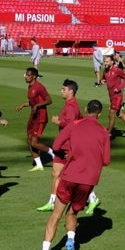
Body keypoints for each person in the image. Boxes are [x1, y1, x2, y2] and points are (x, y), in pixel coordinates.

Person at [34, 100, 111, 250]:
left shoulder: (75, 125)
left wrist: (71, 152)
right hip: (89, 180)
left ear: (85, 110)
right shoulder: (103, 132)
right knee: (73, 213)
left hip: (70, 176)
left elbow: (55, 145)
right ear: (99, 114)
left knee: (55, 215)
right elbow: (106, 160)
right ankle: (70, 241)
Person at [37, 79, 101, 215]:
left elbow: (72, 126)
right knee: (55, 173)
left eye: (63, 89)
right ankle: (52, 201)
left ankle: (92, 198)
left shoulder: (71, 107)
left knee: (72, 175)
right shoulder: (70, 105)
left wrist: (58, 121)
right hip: (64, 146)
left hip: (67, 147)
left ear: (71, 91)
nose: (61, 91)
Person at [16, 67, 53, 172]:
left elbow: (49, 100)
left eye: (28, 75)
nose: (26, 77)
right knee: (29, 140)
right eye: (26, 75)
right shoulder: (30, 87)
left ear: (34, 76)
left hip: (40, 117)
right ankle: (39, 164)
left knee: (34, 143)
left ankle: (53, 153)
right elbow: (32, 102)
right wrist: (23, 105)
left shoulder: (39, 87)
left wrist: (37, 106)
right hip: (33, 116)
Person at [102, 54, 125, 139]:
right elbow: (104, 79)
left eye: (107, 61)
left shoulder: (117, 70)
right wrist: (102, 81)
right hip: (111, 96)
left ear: (112, 62)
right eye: (105, 61)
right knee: (119, 114)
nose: (105, 63)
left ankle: (108, 133)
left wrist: (119, 87)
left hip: (117, 96)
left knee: (111, 114)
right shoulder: (105, 71)